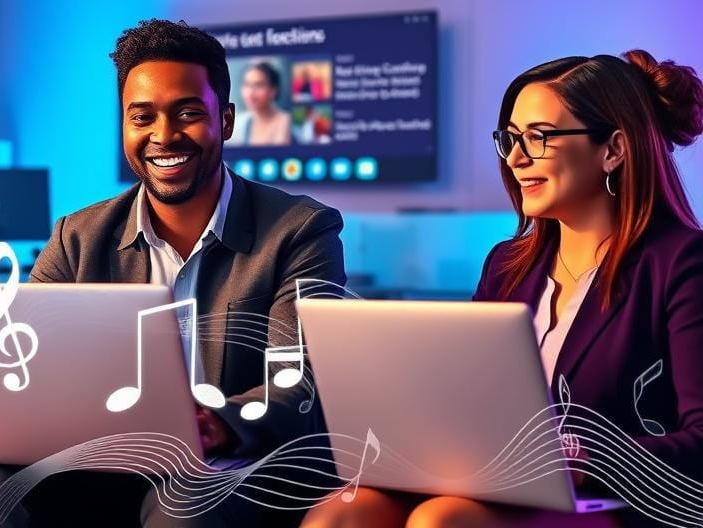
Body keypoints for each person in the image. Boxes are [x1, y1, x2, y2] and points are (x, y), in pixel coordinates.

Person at [0, 19, 346, 528]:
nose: (163, 135)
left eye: (188, 113)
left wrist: (212, 422)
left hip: (238, 463)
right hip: (102, 456)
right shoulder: (77, 236)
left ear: (225, 120)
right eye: (142, 117)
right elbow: (25, 365)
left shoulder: (300, 229)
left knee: (182, 506)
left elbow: (297, 386)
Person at [301, 49, 703, 528]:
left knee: (441, 520)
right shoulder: (507, 266)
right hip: (496, 482)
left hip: (622, 501)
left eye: (538, 137)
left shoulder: (682, 263)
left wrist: (581, 458)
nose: (515, 158)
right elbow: (465, 398)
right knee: (346, 511)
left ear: (612, 150)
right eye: (510, 139)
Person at [229, 62, 291, 146]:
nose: (250, 93)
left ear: (273, 90)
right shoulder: (239, 123)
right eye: (247, 84)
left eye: (258, 85)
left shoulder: (286, 122)